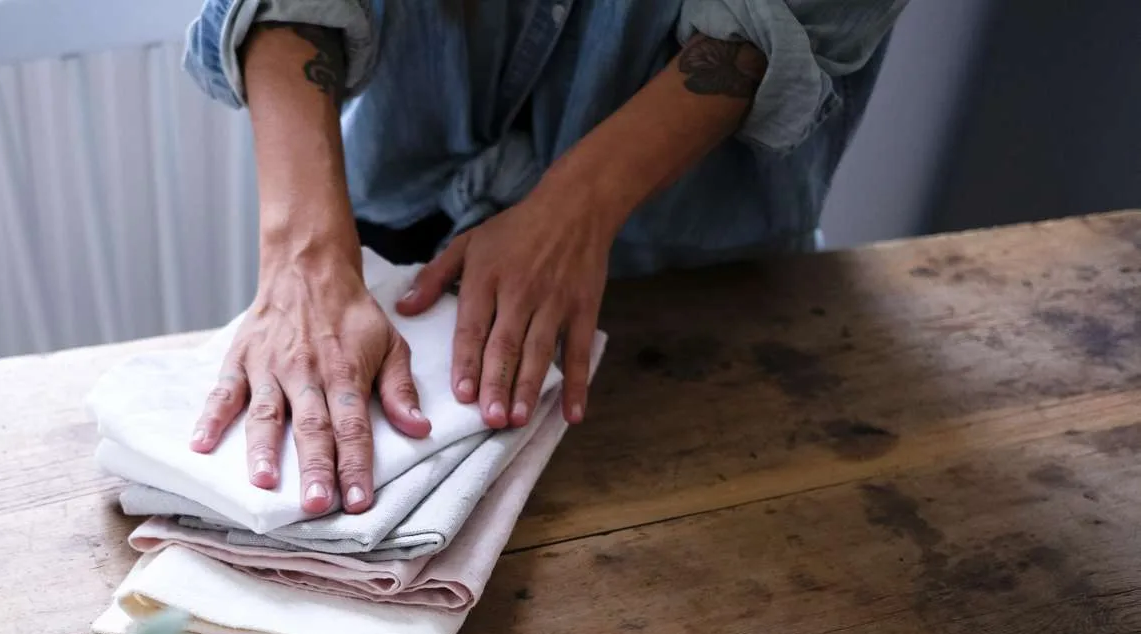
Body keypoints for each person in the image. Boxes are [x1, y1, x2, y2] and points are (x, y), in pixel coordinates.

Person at [182, 0, 908, 515]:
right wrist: (304, 256)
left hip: (682, 257)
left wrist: (578, 207)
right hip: (404, 198)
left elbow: (795, 15)